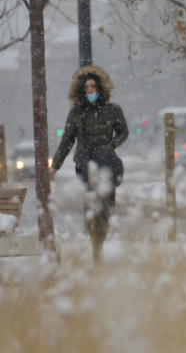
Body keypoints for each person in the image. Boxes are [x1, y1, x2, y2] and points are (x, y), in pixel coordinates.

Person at [50, 65, 129, 262]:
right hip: (84, 165)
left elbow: (123, 132)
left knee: (107, 206)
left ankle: (100, 240)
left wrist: (111, 145)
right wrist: (55, 166)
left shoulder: (113, 110)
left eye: (93, 86)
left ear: (100, 88)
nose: (90, 90)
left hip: (107, 164)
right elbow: (67, 141)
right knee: (92, 206)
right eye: (86, 87)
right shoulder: (76, 113)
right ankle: (96, 247)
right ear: (81, 90)